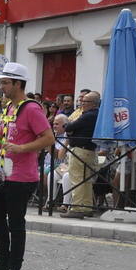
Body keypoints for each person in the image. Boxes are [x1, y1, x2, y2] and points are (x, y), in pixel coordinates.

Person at [0, 63, 54, 270]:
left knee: (16, 222)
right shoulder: (9, 108)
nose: (1, 87)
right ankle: (2, 261)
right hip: (4, 174)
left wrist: (21, 148)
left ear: (18, 84)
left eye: (5, 83)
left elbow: (48, 138)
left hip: (23, 177)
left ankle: (14, 267)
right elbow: (1, 139)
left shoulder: (32, 109)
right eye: (2, 82)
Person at [61, 91, 100, 219]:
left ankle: (77, 207)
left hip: (80, 150)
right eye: (82, 101)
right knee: (86, 180)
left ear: (93, 103)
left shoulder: (88, 115)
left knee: (77, 179)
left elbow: (69, 127)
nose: (82, 103)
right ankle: (87, 206)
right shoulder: (96, 114)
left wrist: (70, 128)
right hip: (89, 150)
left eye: (85, 101)